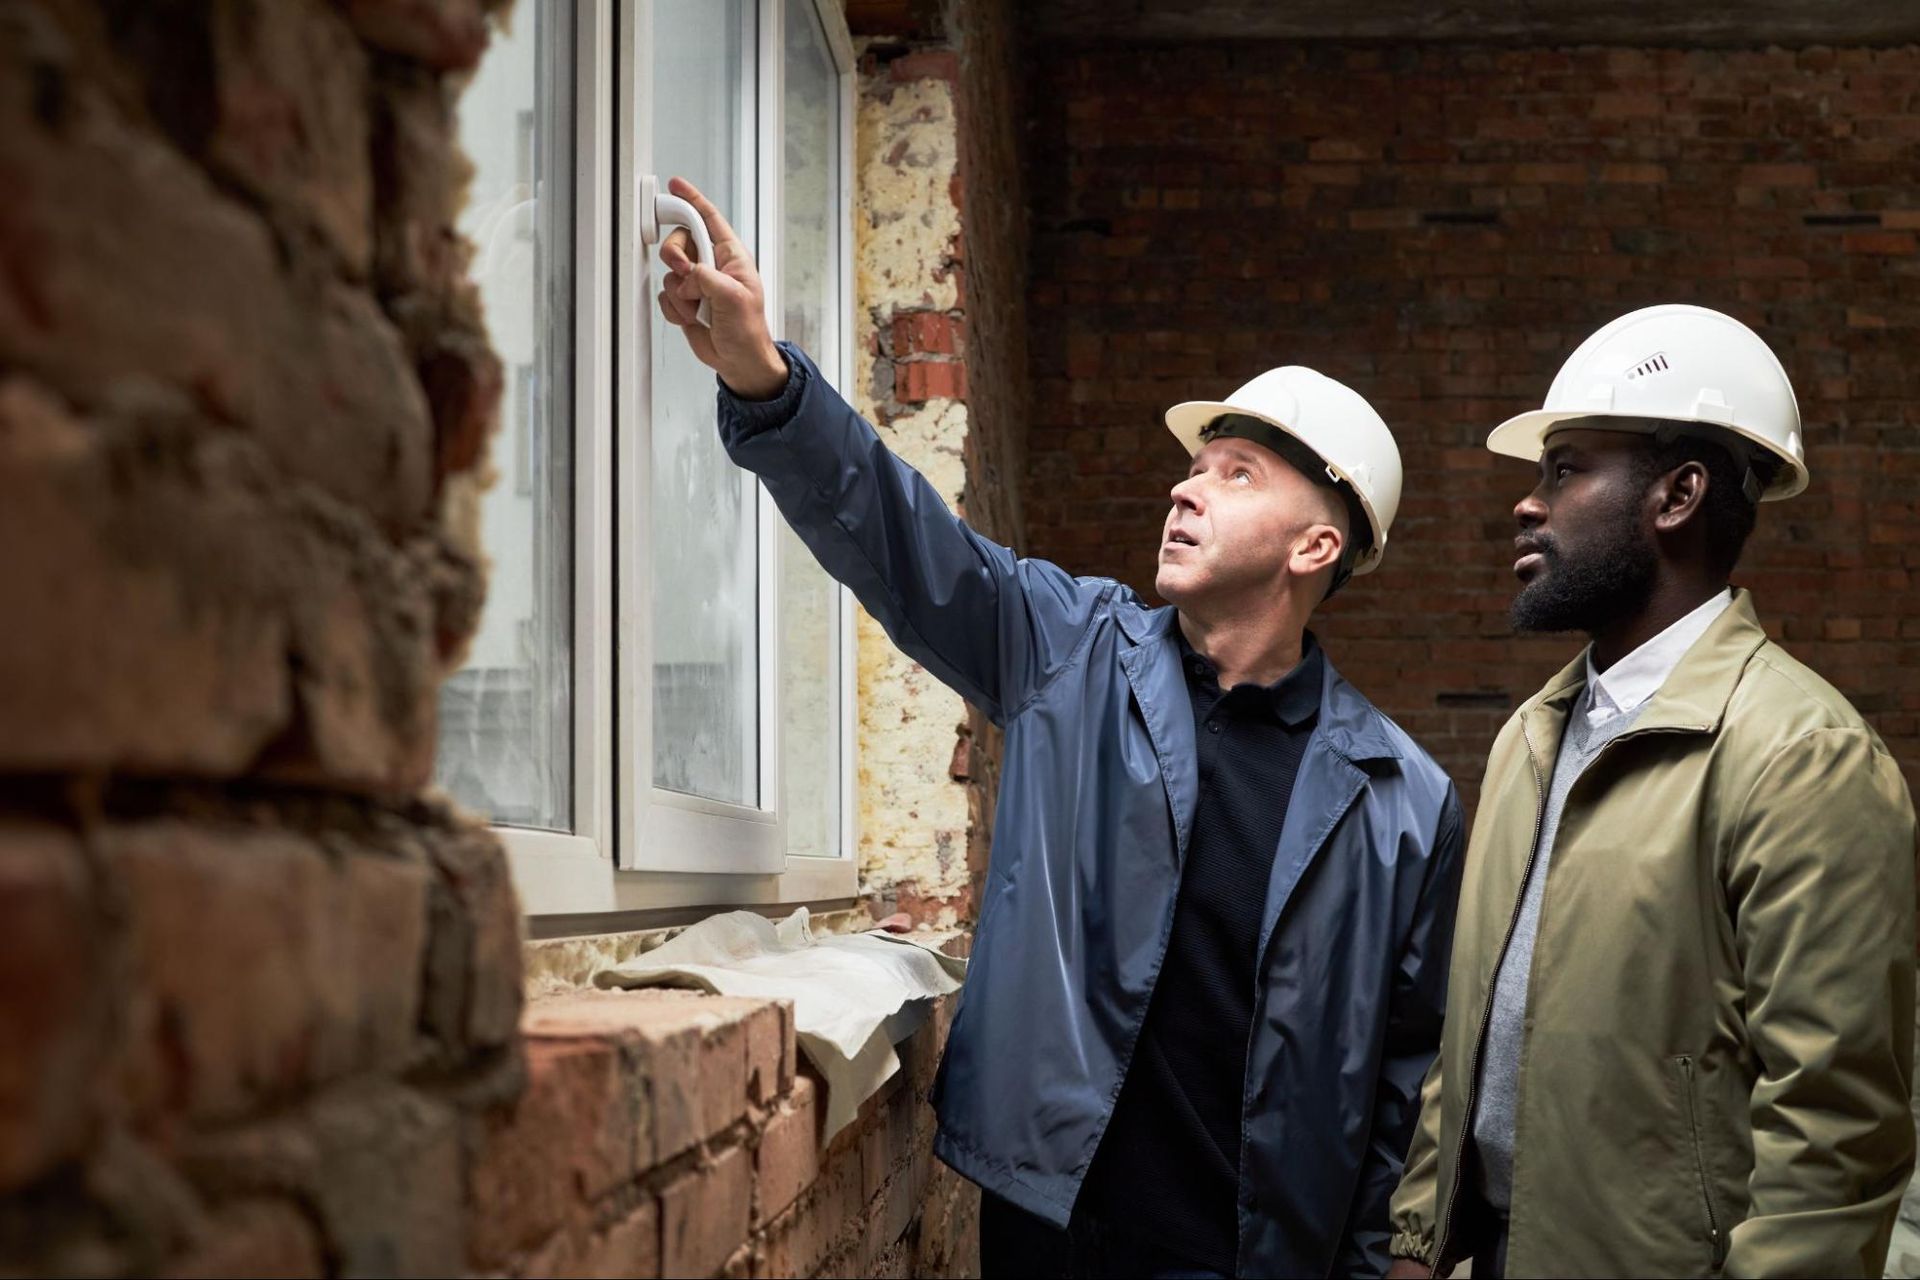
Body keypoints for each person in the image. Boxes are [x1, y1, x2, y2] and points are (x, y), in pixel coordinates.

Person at [656, 177, 1462, 1277]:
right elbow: (903, 541)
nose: (1186, 490)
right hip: (1058, 1230)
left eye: (1235, 475)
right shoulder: (1069, 648)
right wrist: (766, 378)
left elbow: (1406, 1083)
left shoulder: (1400, 799)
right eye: (1192, 466)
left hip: (1265, 1255)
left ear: (1314, 547)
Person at [1386, 304, 1918, 1278]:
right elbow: (1469, 1030)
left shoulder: (1804, 754)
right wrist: (1421, 1241)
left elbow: (1836, 1131)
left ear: (1677, 494)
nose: (1526, 503)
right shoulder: (1528, 739)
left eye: (1565, 469)